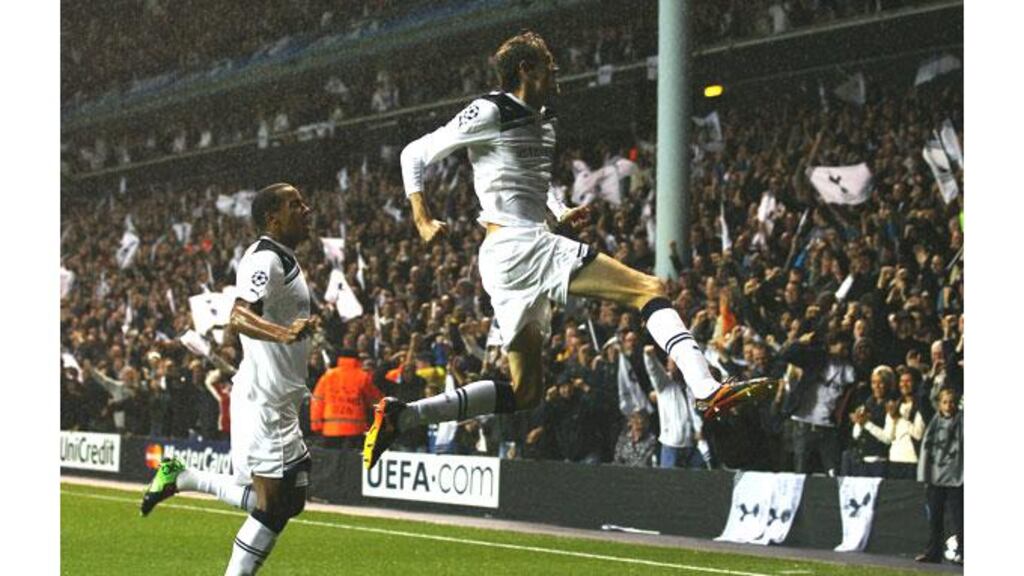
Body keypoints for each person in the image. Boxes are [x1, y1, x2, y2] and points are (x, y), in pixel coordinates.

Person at [364, 30, 763, 469]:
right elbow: (413, 153)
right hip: (519, 245)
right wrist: (422, 218)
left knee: (525, 392)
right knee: (648, 287)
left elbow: (531, 182)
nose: (556, 69)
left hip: (512, 253)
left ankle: (404, 416)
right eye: (547, 63)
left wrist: (558, 209)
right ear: (525, 70)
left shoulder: (544, 117)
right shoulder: (491, 109)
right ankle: (707, 388)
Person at [140, 183, 315, 575]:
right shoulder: (265, 259)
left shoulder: (282, 258)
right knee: (272, 508)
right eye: (295, 205)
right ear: (272, 218)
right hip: (265, 401)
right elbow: (238, 315)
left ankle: (183, 476)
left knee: (291, 499)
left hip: (276, 398)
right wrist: (284, 333)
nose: (306, 209)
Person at [915, 388, 963, 564]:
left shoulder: (963, 421)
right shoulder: (933, 421)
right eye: (945, 402)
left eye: (951, 402)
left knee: (960, 518)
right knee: (935, 517)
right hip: (936, 476)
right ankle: (933, 552)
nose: (948, 405)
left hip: (957, 477)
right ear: (939, 404)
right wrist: (929, 379)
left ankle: (964, 553)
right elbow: (922, 399)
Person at [310, 349, 383, 451]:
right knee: (351, 464)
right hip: (355, 431)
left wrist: (316, 425)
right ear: (357, 360)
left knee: (332, 464)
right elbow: (376, 401)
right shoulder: (362, 376)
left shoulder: (327, 376)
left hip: (330, 430)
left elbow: (317, 401)